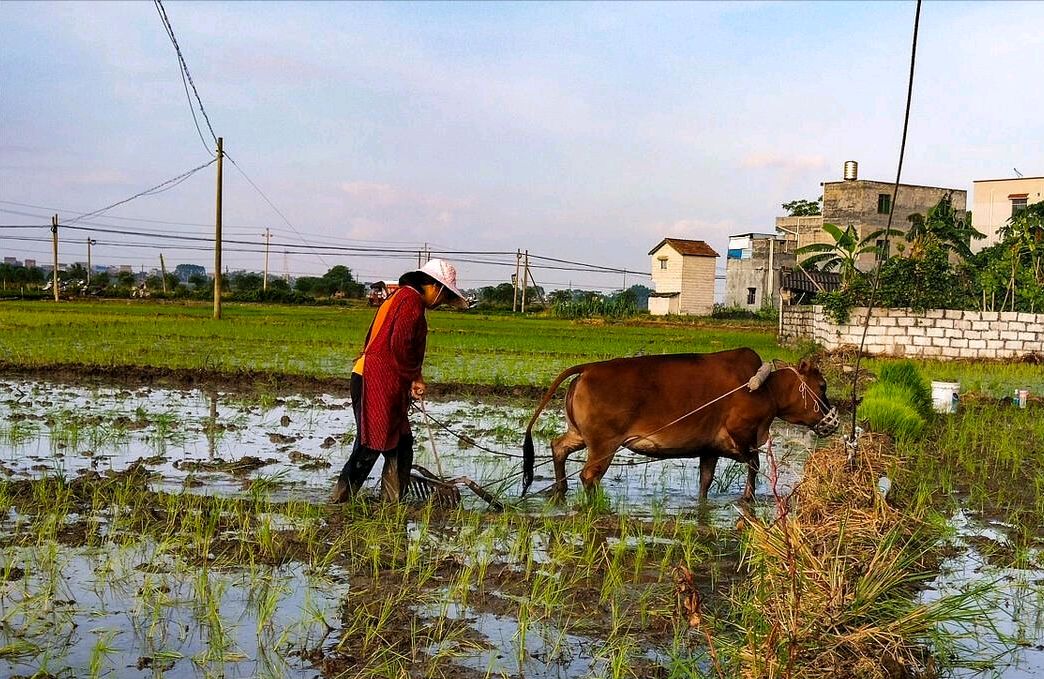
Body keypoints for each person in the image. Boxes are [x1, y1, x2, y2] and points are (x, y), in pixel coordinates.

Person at [330, 258, 468, 503]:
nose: (443, 303)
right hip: (375, 379)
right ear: (434, 287)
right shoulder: (410, 301)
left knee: (401, 443)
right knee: (371, 443)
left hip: (384, 378)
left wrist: (413, 377)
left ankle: (392, 502)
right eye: (445, 296)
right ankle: (341, 500)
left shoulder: (401, 298)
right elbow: (400, 346)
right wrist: (414, 376)